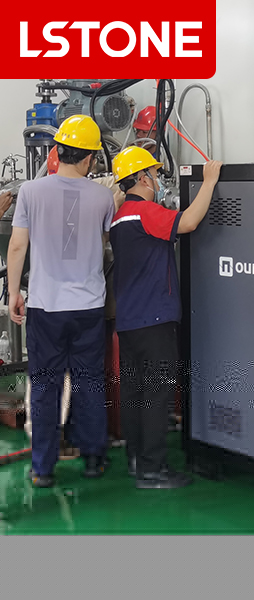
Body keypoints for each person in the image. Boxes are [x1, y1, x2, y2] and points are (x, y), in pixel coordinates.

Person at [7, 115, 115, 488]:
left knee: (45, 385)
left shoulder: (31, 192)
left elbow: (17, 245)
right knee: (89, 381)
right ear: (89, 158)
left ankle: (43, 468)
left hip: (45, 306)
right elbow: (103, 242)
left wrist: (15, 293)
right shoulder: (103, 196)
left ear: (56, 151)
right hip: (88, 307)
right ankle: (93, 459)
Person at [110, 146, 221, 489]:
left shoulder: (119, 217)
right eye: (156, 174)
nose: (158, 180)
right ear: (143, 178)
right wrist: (209, 181)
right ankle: (153, 468)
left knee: (134, 392)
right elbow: (188, 222)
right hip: (154, 320)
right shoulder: (145, 212)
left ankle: (136, 458)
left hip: (129, 321)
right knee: (156, 394)